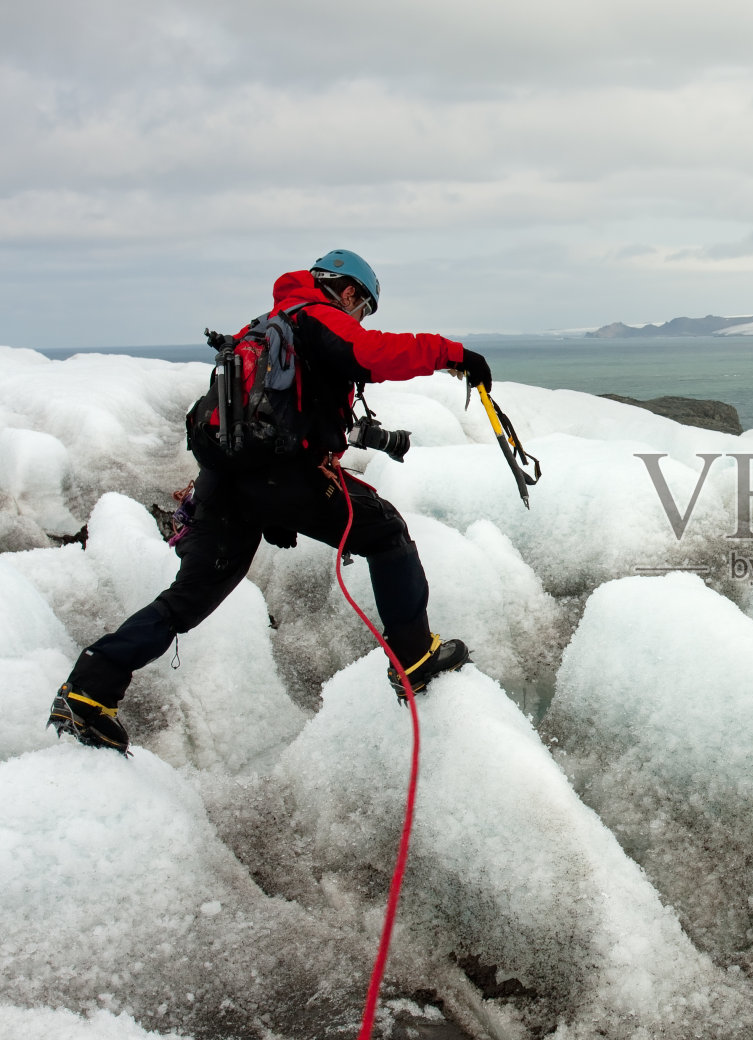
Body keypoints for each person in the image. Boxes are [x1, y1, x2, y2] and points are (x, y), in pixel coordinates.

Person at [48, 249, 494, 753]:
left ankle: (87, 691)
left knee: (186, 600)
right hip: (281, 476)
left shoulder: (263, 327)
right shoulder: (316, 316)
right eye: (363, 307)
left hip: (224, 482)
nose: (360, 318)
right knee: (387, 532)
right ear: (347, 291)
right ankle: (414, 659)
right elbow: (370, 355)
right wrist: (451, 353)